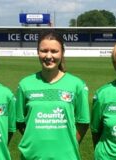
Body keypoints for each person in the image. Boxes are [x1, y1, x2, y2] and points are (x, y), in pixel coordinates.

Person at [16, 31, 90, 160]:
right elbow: (20, 122)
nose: (49, 56)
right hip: (32, 156)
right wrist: (35, 139)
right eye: (44, 50)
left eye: (54, 51)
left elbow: (83, 123)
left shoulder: (77, 84)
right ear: (37, 52)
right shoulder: (25, 84)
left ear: (62, 53)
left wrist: (68, 144)